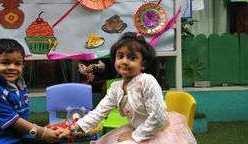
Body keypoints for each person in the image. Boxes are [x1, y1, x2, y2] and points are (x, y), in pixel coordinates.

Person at [66, 32, 197, 143]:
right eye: (120, 56)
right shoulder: (116, 88)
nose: (124, 61)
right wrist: (77, 126)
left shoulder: (147, 82)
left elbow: (158, 117)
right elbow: (99, 112)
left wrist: (134, 136)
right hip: (135, 127)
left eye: (132, 57)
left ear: (143, 64)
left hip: (155, 132)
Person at [0, 39, 66, 144]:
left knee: (55, 141)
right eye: (5, 63)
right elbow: (15, 122)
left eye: (17, 63)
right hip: (0, 141)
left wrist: (43, 130)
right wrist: (42, 132)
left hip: (18, 137)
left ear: (22, 66)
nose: (12, 67)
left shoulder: (20, 87)